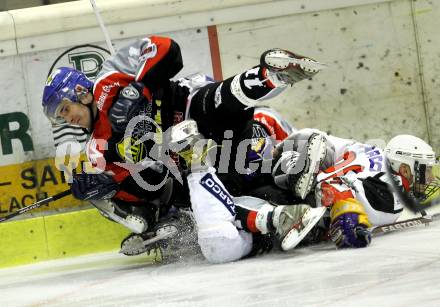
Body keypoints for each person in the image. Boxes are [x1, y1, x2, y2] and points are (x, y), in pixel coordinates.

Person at [41, 35, 326, 259]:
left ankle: (271, 75)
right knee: (226, 195)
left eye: (65, 108)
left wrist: (139, 88)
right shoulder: (97, 150)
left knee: (219, 101)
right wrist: (108, 187)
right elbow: (150, 182)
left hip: (189, 106)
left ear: (80, 92)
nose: (68, 118)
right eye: (60, 117)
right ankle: (288, 212)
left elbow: (168, 49)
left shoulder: (108, 80)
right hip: (198, 158)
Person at [271, 129, 439, 248]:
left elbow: (319, 142)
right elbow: (333, 189)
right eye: (427, 170)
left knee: (304, 158)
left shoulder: (376, 152)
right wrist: (349, 221)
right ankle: (297, 174)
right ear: (404, 169)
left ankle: (296, 170)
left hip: (302, 155)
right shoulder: (390, 201)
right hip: (301, 186)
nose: (431, 178)